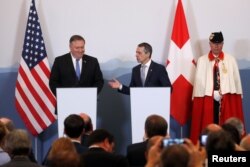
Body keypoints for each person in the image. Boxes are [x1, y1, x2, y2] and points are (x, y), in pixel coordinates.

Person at [190, 31, 244, 143]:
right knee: (208, 123)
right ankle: (208, 147)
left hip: (226, 98)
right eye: (214, 43)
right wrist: (211, 93)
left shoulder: (230, 60)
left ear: (223, 44)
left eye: (219, 43)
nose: (216, 46)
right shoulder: (202, 60)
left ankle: (228, 145)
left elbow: (235, 82)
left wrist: (223, 92)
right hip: (207, 99)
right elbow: (199, 84)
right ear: (210, 44)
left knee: (227, 124)